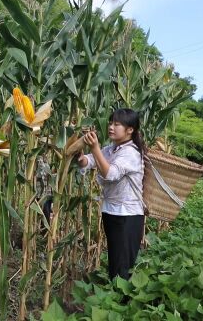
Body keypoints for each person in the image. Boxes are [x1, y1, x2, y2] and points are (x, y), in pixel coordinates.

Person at [77, 108, 145, 281]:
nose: (111, 127)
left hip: (127, 215)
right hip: (111, 211)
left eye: (117, 124)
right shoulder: (112, 149)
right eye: (110, 123)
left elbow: (110, 174)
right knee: (115, 261)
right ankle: (115, 299)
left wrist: (95, 148)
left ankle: (121, 303)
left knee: (123, 265)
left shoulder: (131, 153)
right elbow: (89, 161)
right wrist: (79, 151)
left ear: (130, 130)